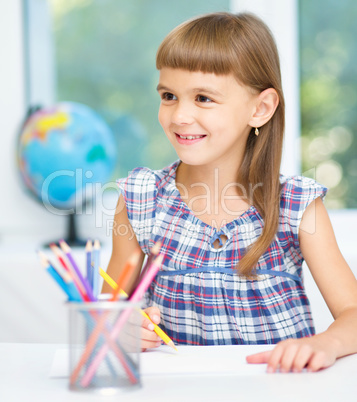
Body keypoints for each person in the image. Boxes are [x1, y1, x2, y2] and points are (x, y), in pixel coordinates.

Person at [103, 12, 357, 373]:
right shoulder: (139, 199)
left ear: (261, 108)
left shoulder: (297, 205)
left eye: (204, 98)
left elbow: (353, 314)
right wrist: (121, 328)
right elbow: (106, 311)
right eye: (169, 96)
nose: (179, 116)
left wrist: (326, 344)